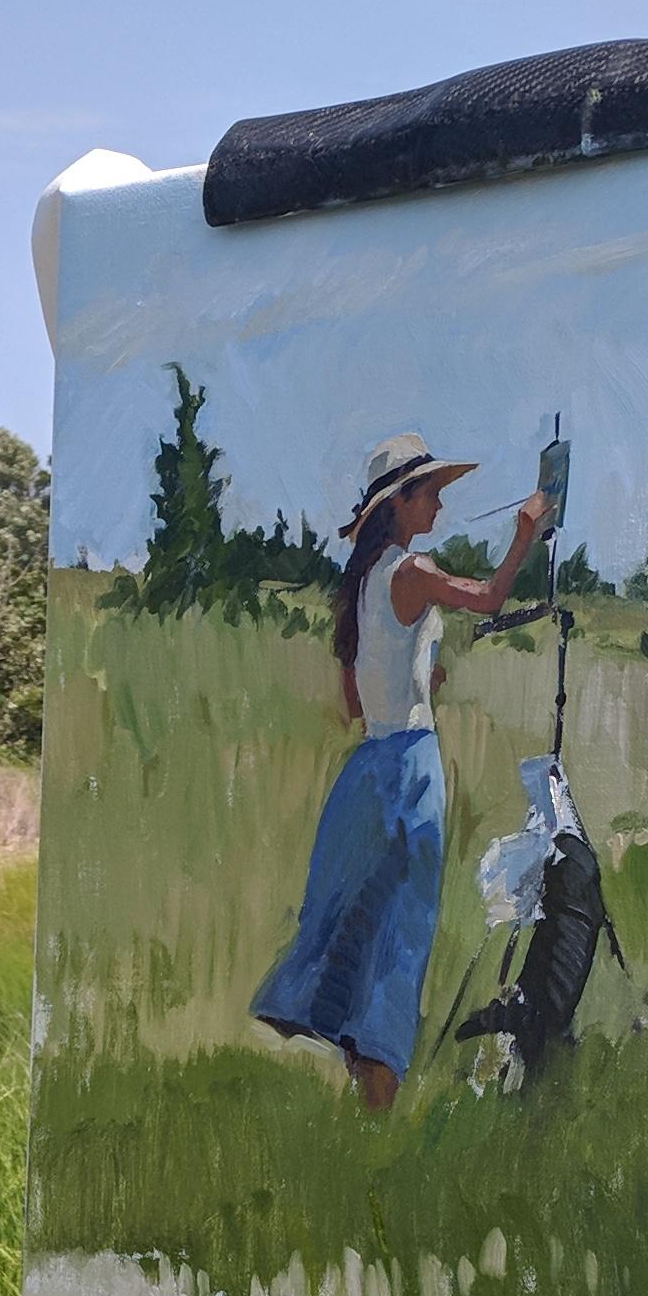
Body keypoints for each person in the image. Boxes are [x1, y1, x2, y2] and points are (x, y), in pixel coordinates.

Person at [253, 434, 550, 1109]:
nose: (441, 507)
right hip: (409, 776)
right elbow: (492, 596)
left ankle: (366, 1108)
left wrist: (419, 678)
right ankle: (376, 1115)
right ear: (402, 504)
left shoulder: (366, 581)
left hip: (366, 778)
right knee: (398, 939)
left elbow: (357, 701)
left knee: (356, 932)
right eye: (432, 495)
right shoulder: (412, 572)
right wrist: (525, 532)